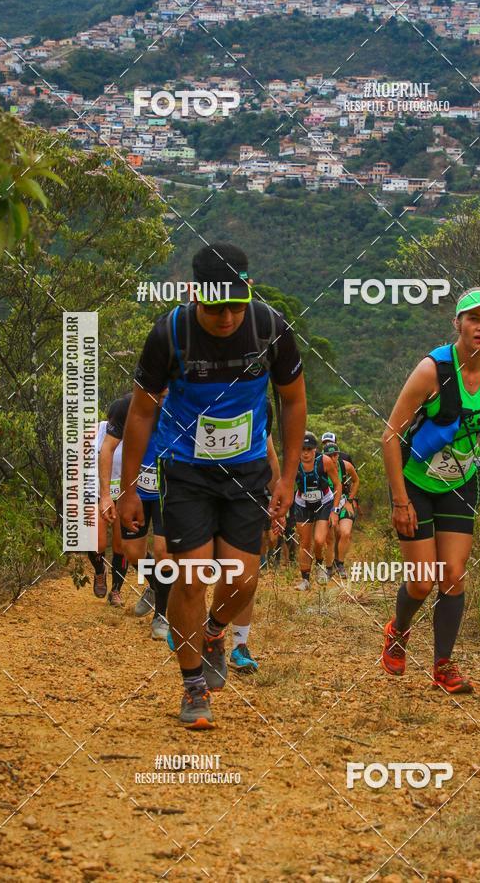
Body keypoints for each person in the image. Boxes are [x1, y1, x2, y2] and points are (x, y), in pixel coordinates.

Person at [118, 242, 306, 729]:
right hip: (184, 469)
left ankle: (216, 633)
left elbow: (292, 401)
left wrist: (286, 476)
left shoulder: (270, 328)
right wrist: (128, 489)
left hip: (246, 471)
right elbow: (141, 411)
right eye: (214, 306)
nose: (225, 317)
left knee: (243, 579)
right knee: (193, 575)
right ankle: (193, 686)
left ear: (248, 292)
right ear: (193, 293)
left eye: (234, 305)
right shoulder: (170, 333)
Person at [381, 288, 480, 693]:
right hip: (415, 484)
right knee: (421, 582)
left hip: (459, 484)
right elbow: (389, 437)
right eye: (474, 319)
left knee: (452, 574)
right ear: (458, 324)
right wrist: (399, 501)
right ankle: (398, 631)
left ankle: (443, 665)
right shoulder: (432, 370)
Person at [230, 399, 282, 674]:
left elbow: (270, 454)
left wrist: (277, 499)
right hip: (199, 489)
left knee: (245, 577)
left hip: (248, 494)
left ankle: (239, 645)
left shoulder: (262, 404)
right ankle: (193, 629)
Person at [118, 390, 173, 640]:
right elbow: (110, 449)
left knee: (164, 553)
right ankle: (155, 586)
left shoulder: (179, 409)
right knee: (133, 554)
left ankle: (161, 615)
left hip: (168, 491)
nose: (163, 396)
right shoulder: (130, 409)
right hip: (137, 494)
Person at [88, 394, 132, 607]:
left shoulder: (134, 433)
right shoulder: (97, 430)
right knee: (97, 542)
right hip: (98, 491)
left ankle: (116, 590)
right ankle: (99, 571)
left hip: (123, 494)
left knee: (120, 545)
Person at [293, 432, 342, 591]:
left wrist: (335, 510)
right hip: (303, 503)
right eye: (302, 449)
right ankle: (305, 580)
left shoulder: (325, 461)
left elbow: (338, 485)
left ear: (315, 450)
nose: (305, 453)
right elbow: (286, 485)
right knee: (305, 543)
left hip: (324, 503)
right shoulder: (293, 463)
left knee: (320, 540)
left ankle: (320, 565)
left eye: (309, 449)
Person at [322, 441, 359, 580]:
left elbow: (356, 481)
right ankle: (329, 567)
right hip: (327, 505)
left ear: (338, 454)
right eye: (329, 455)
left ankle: (340, 564)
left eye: (335, 455)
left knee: (345, 533)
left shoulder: (346, 465)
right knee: (330, 538)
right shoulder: (321, 467)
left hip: (343, 503)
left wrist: (350, 500)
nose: (332, 458)